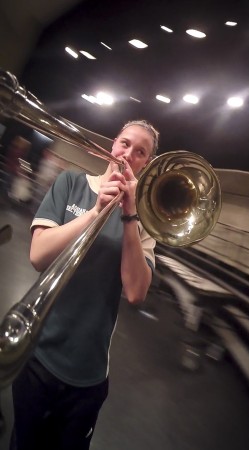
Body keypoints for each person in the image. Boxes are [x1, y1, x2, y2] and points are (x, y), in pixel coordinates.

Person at [10, 119, 159, 450]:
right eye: (124, 143)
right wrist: (94, 212)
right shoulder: (70, 183)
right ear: (112, 145)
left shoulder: (143, 220)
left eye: (140, 151)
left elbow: (136, 292)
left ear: (145, 164)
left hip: (88, 373)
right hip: (38, 355)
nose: (129, 154)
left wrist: (130, 214)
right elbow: (38, 255)